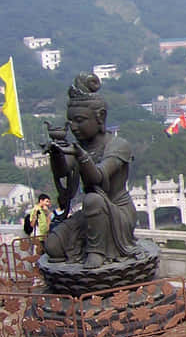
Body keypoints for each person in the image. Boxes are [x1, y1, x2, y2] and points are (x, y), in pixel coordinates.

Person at [42, 73, 141, 269]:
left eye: (80, 120)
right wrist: (56, 154)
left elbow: (98, 178)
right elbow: (63, 172)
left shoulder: (118, 145)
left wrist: (81, 156)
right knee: (53, 246)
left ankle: (97, 251)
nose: (74, 127)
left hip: (117, 212)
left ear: (100, 117)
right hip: (91, 214)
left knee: (93, 198)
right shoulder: (79, 146)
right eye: (71, 122)